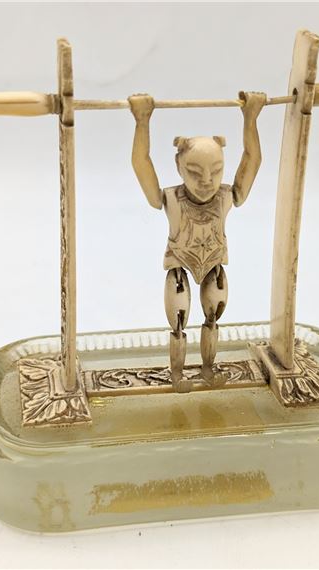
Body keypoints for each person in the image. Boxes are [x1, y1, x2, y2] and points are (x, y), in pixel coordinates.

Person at [128, 91, 265, 392]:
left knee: (212, 317)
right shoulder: (170, 199)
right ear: (179, 167)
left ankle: (207, 369)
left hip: (214, 264)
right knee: (178, 322)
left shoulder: (226, 196)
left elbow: (252, 159)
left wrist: (251, 117)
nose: (207, 180)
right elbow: (141, 162)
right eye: (194, 171)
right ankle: (177, 375)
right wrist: (142, 120)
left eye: (216, 171)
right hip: (179, 264)